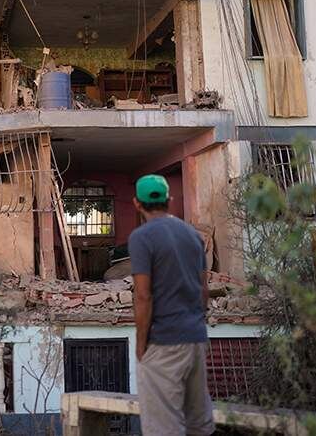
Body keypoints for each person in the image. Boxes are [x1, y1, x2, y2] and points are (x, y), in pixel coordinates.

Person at [129, 174, 214, 436]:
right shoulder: (192, 235)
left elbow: (143, 295)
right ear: (169, 200)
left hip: (164, 344)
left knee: (164, 428)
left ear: (136, 204)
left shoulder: (142, 238)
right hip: (196, 340)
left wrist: (141, 344)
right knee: (198, 425)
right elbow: (204, 291)